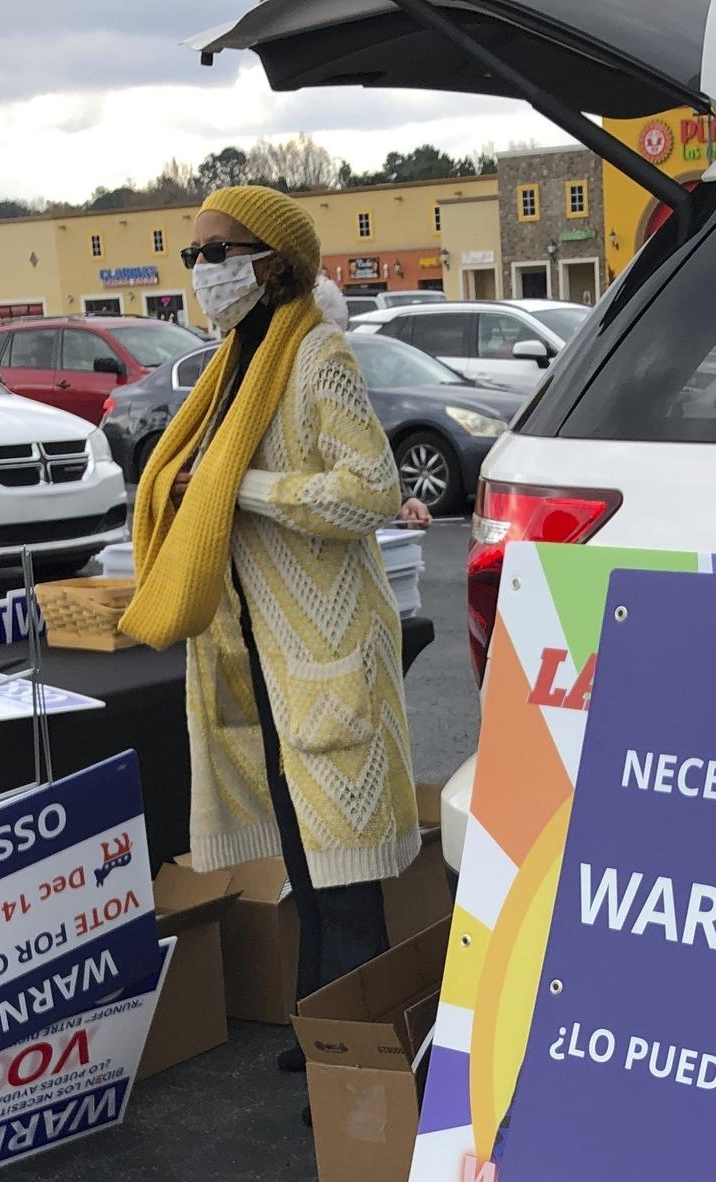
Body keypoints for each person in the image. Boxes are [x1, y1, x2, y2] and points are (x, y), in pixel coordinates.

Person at [120, 184, 437, 1017]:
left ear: (274, 260)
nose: (202, 269)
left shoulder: (314, 355)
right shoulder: (232, 364)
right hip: (259, 644)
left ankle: (357, 1041)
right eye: (194, 254)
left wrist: (238, 487)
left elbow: (371, 492)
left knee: (345, 871)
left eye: (219, 251)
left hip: (325, 643)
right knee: (303, 855)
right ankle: (317, 1020)